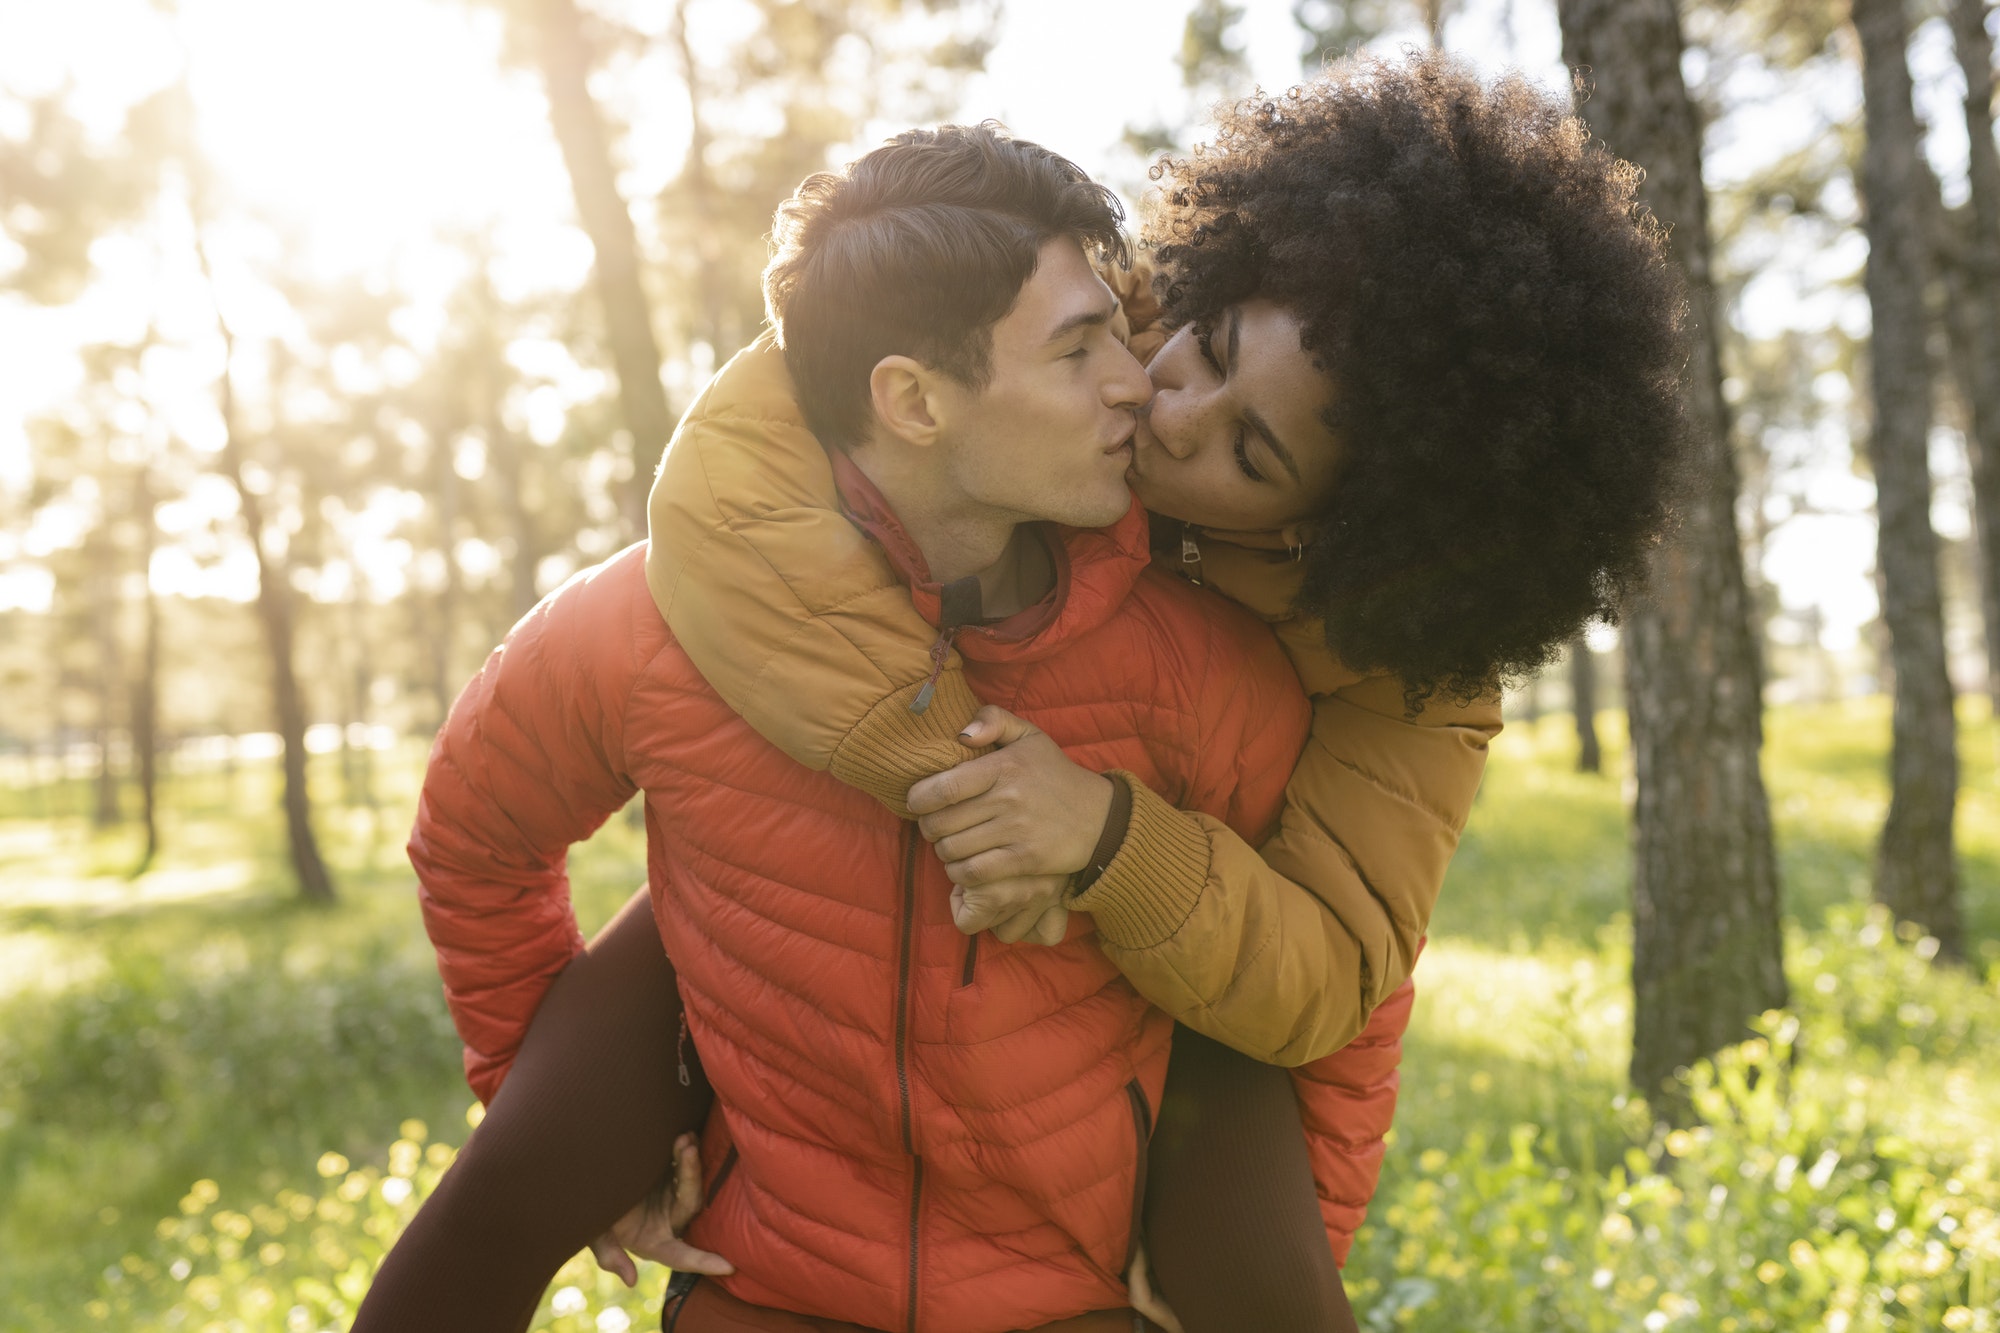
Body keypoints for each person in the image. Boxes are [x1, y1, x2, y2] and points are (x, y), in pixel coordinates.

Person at [358, 51, 1686, 1333]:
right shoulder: (1086, 341)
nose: (1163, 406)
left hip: (1146, 1061)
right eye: (1201, 346)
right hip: (787, 1139)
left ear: (1332, 528)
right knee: (707, 890)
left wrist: (1253, 1269)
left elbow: (1335, 994)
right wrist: (933, 765)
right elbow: (777, 426)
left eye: (1249, 450)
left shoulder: (1356, 681)